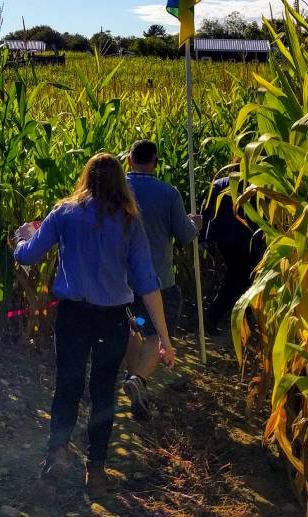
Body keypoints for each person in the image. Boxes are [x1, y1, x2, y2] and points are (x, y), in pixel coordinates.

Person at [12, 153, 175, 495]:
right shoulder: (130, 221)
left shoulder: (64, 213)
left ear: (86, 178)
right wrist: (163, 336)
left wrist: (21, 238)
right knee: (103, 393)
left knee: (67, 385)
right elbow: (147, 281)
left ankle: (57, 452)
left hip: (73, 316)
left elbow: (28, 255)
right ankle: (96, 471)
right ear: (120, 181)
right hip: (112, 320)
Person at [122, 140, 202, 419]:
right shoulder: (168, 194)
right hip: (158, 281)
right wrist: (196, 224)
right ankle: (139, 381)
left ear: (129, 161)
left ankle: (135, 384)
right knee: (156, 333)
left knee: (134, 327)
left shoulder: (116, 191)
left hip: (123, 282)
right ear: (156, 163)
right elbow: (185, 234)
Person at [200, 172, 263, 335]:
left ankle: (243, 320)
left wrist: (204, 238)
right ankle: (216, 317)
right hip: (248, 239)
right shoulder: (259, 183)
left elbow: (206, 209)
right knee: (241, 279)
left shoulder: (220, 183)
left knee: (240, 278)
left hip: (224, 239)